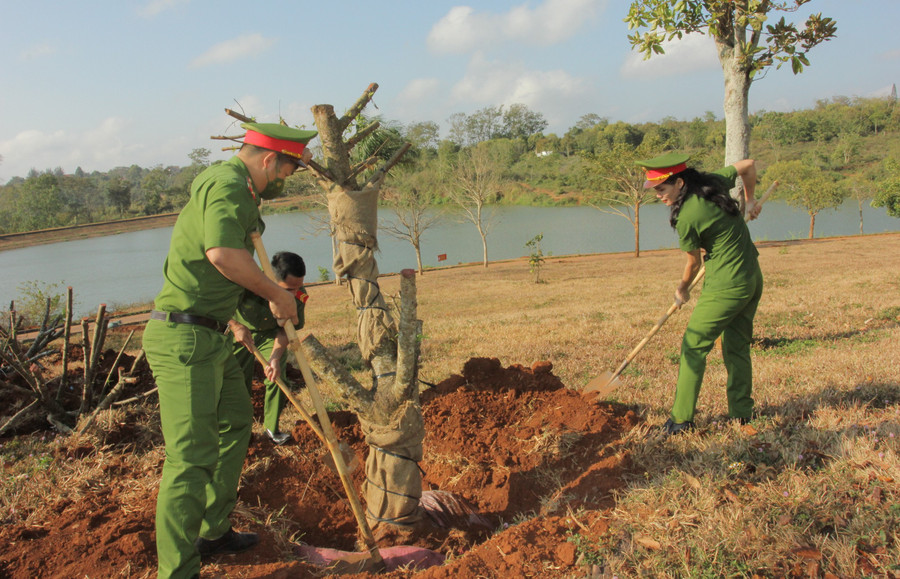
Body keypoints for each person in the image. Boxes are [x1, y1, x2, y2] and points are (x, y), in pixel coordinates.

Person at [142, 122, 316, 579]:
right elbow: (221, 253)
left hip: (213, 335)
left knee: (237, 421)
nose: (286, 180)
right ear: (267, 160)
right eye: (287, 171)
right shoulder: (227, 184)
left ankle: (214, 531)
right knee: (191, 457)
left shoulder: (235, 188)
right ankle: (178, 571)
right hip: (186, 338)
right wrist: (276, 295)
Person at [636, 153, 763, 435]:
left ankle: (681, 421)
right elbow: (748, 165)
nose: (658, 196)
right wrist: (751, 200)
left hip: (726, 286)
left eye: (661, 189)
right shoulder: (711, 182)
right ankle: (741, 415)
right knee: (737, 346)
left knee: (693, 346)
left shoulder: (686, 217)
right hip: (751, 278)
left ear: (679, 182)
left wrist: (682, 288)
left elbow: (693, 263)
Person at [230, 251, 308, 445]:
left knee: (276, 375)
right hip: (239, 332)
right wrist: (235, 326)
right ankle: (239, 432)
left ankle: (271, 429)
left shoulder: (299, 293)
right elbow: (220, 308)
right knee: (235, 381)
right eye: (288, 289)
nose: (294, 294)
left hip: (270, 335)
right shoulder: (246, 281)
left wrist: (274, 357)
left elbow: (286, 330)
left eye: (297, 287)